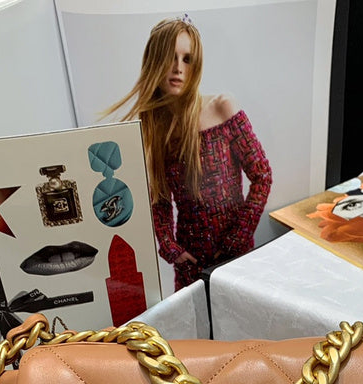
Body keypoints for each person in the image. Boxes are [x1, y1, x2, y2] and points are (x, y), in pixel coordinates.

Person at [104, 17, 272, 291]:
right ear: (154, 62)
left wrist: (238, 238)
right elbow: (159, 199)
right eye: (170, 57)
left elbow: (262, 176)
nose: (178, 68)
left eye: (187, 59)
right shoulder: (156, 127)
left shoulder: (222, 107)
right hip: (190, 264)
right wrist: (171, 248)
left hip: (236, 257)